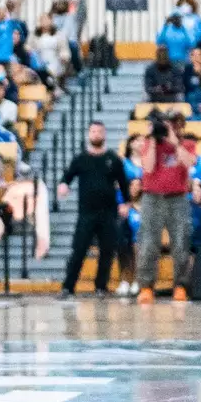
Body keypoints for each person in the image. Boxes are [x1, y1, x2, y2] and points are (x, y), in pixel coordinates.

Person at [55, 120, 129, 298]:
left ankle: (101, 287)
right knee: (79, 250)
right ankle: (68, 287)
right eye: (93, 131)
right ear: (89, 134)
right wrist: (63, 185)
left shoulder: (113, 159)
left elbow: (123, 182)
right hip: (86, 213)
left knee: (107, 251)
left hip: (108, 212)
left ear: (104, 134)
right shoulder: (81, 159)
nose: (96, 134)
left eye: (99, 132)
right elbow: (67, 176)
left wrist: (125, 203)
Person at [134, 116, 197, 304]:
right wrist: (153, 140)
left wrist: (174, 142)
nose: (169, 127)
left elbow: (189, 163)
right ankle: (146, 286)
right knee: (148, 243)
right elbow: (148, 166)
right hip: (152, 197)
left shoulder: (187, 143)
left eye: (173, 124)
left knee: (180, 243)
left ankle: (181, 286)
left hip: (177, 197)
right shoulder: (149, 142)